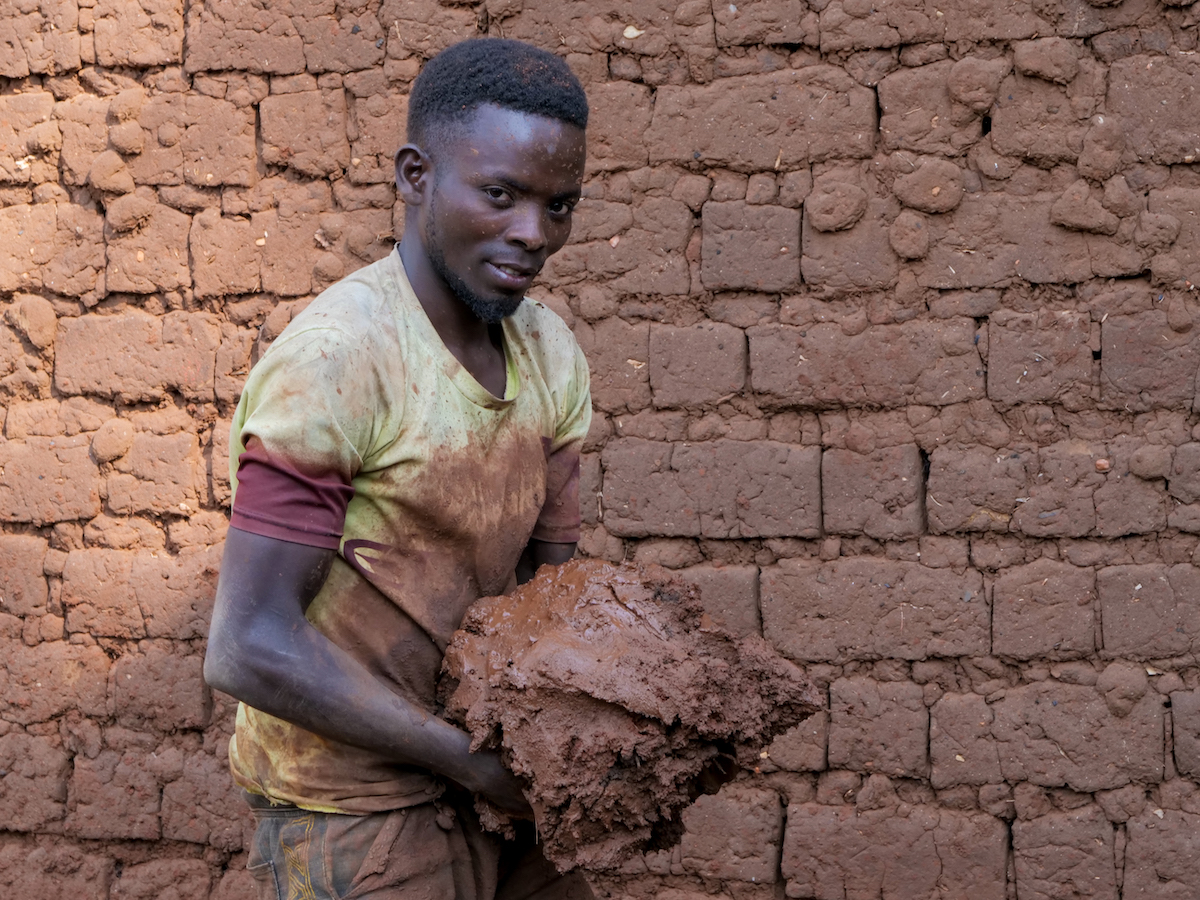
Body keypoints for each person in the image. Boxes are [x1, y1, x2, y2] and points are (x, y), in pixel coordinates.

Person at [204, 38, 594, 900]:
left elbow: (552, 593)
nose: (533, 234)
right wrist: (471, 762)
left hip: (504, 788)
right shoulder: (341, 359)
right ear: (415, 176)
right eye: (500, 195)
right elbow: (248, 644)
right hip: (354, 813)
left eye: (559, 205)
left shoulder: (551, 354)